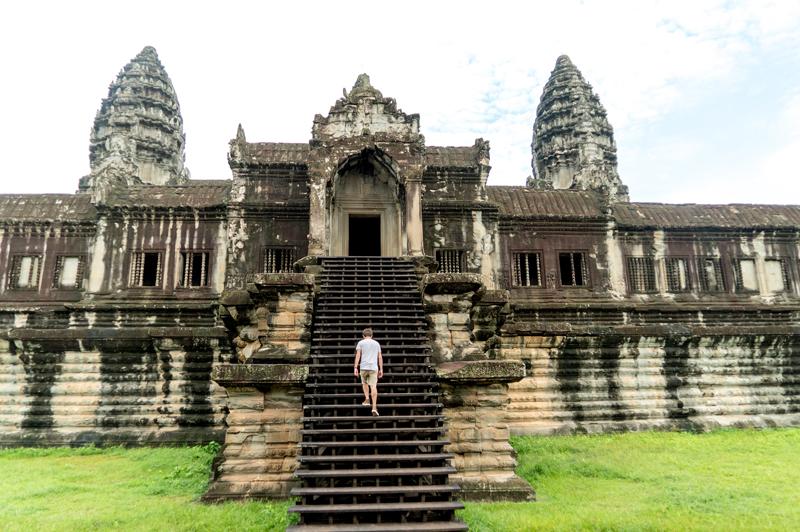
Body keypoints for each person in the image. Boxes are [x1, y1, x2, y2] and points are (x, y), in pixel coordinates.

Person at [353, 327, 383, 416]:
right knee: (373, 386)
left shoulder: (360, 343)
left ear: (363, 335)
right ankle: (374, 407)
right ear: (371, 335)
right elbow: (380, 357)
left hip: (363, 367)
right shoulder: (376, 343)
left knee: (364, 383)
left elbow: (358, 355)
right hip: (374, 367)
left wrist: (355, 367)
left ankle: (367, 399)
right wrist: (381, 369)